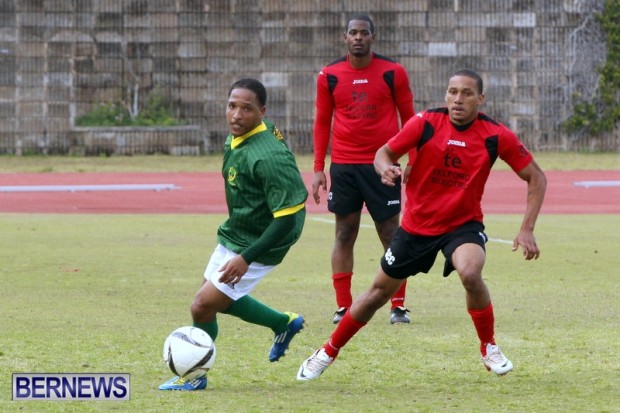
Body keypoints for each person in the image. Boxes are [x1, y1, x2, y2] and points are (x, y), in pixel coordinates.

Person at [297, 69, 547, 380]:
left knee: (471, 273)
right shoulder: (425, 122)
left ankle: (489, 346)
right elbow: (383, 153)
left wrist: (527, 228)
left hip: (462, 226)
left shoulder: (495, 135)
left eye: (467, 93)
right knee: (376, 294)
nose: (458, 99)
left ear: (480, 99)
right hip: (416, 228)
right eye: (453, 91)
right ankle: (327, 351)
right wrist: (385, 168)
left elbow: (536, 177)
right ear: (446, 95)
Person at [160, 78, 308, 391]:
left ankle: (195, 376)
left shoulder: (270, 157)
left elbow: (286, 219)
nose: (237, 115)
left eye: (246, 109)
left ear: (262, 112)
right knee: (212, 301)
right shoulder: (238, 137)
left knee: (202, 305)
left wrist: (246, 258)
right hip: (240, 228)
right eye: (232, 106)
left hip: (267, 237)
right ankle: (283, 323)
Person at [312, 14, 416, 325]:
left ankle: (398, 305)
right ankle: (343, 307)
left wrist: (414, 159)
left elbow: (410, 119)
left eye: (364, 32)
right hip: (344, 166)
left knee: (391, 234)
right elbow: (321, 123)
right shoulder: (329, 75)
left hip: (383, 165)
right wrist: (318, 168)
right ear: (345, 38)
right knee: (345, 232)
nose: (358, 37)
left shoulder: (393, 72)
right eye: (353, 33)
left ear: (373, 37)